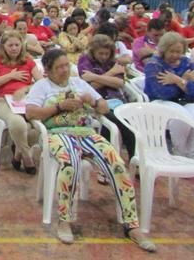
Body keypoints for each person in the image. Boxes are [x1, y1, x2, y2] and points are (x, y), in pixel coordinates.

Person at [25, 49, 155, 251]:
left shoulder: (79, 84)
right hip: (58, 133)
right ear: (48, 70)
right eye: (59, 67)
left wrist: (91, 101)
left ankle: (132, 225)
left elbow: (103, 108)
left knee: (117, 164)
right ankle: (64, 220)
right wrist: (59, 107)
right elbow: (31, 113)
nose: (64, 70)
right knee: (70, 164)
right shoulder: (41, 87)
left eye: (66, 65)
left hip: (86, 132)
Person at [0, 30, 41, 173]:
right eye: (10, 45)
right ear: (3, 46)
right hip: (4, 101)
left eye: (17, 45)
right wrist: (10, 76)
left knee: (36, 128)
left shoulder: (28, 60)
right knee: (18, 123)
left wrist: (26, 89)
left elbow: (41, 83)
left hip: (26, 101)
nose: (14, 48)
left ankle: (17, 155)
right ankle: (28, 159)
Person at [144, 32, 194, 158]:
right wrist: (184, 82)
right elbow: (162, 93)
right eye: (172, 51)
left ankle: (192, 155)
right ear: (164, 50)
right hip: (159, 103)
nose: (176, 55)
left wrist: (177, 80)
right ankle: (180, 153)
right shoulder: (154, 65)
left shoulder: (187, 63)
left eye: (179, 51)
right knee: (181, 117)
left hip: (184, 102)